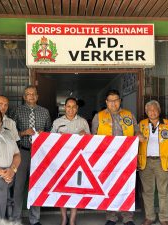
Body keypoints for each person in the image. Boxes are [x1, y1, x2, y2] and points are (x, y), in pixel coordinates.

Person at [92, 89, 140, 225]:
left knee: (127, 186)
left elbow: (136, 129)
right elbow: (93, 137)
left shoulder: (129, 115)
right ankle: (111, 217)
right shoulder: (99, 116)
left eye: (116, 100)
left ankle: (127, 217)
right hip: (106, 158)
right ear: (106, 102)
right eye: (110, 101)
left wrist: (139, 134)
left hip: (126, 157)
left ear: (120, 101)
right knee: (108, 186)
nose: (113, 103)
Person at [11, 85, 51, 225]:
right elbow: (11, 133)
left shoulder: (44, 112)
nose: (31, 96)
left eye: (33, 94)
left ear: (37, 96)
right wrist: (23, 133)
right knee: (19, 187)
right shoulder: (17, 111)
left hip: (39, 153)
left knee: (36, 186)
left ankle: (35, 219)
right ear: (24, 96)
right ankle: (16, 218)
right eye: (28, 94)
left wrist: (43, 134)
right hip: (22, 152)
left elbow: (49, 132)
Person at [51, 97, 90, 225]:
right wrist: (58, 138)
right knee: (62, 189)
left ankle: (72, 219)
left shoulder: (83, 122)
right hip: (61, 162)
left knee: (75, 190)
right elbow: (50, 140)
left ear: (77, 108)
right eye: (68, 106)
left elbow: (90, 141)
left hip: (79, 162)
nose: (71, 109)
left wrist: (86, 135)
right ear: (64, 107)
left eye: (74, 107)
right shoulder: (57, 122)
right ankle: (64, 218)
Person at [138, 100, 168, 225]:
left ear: (159, 111)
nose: (152, 112)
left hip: (162, 162)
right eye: (149, 110)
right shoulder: (141, 124)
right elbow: (135, 143)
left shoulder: (167, 124)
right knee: (147, 191)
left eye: (154, 109)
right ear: (146, 112)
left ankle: (164, 218)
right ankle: (150, 217)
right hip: (145, 162)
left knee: (163, 191)